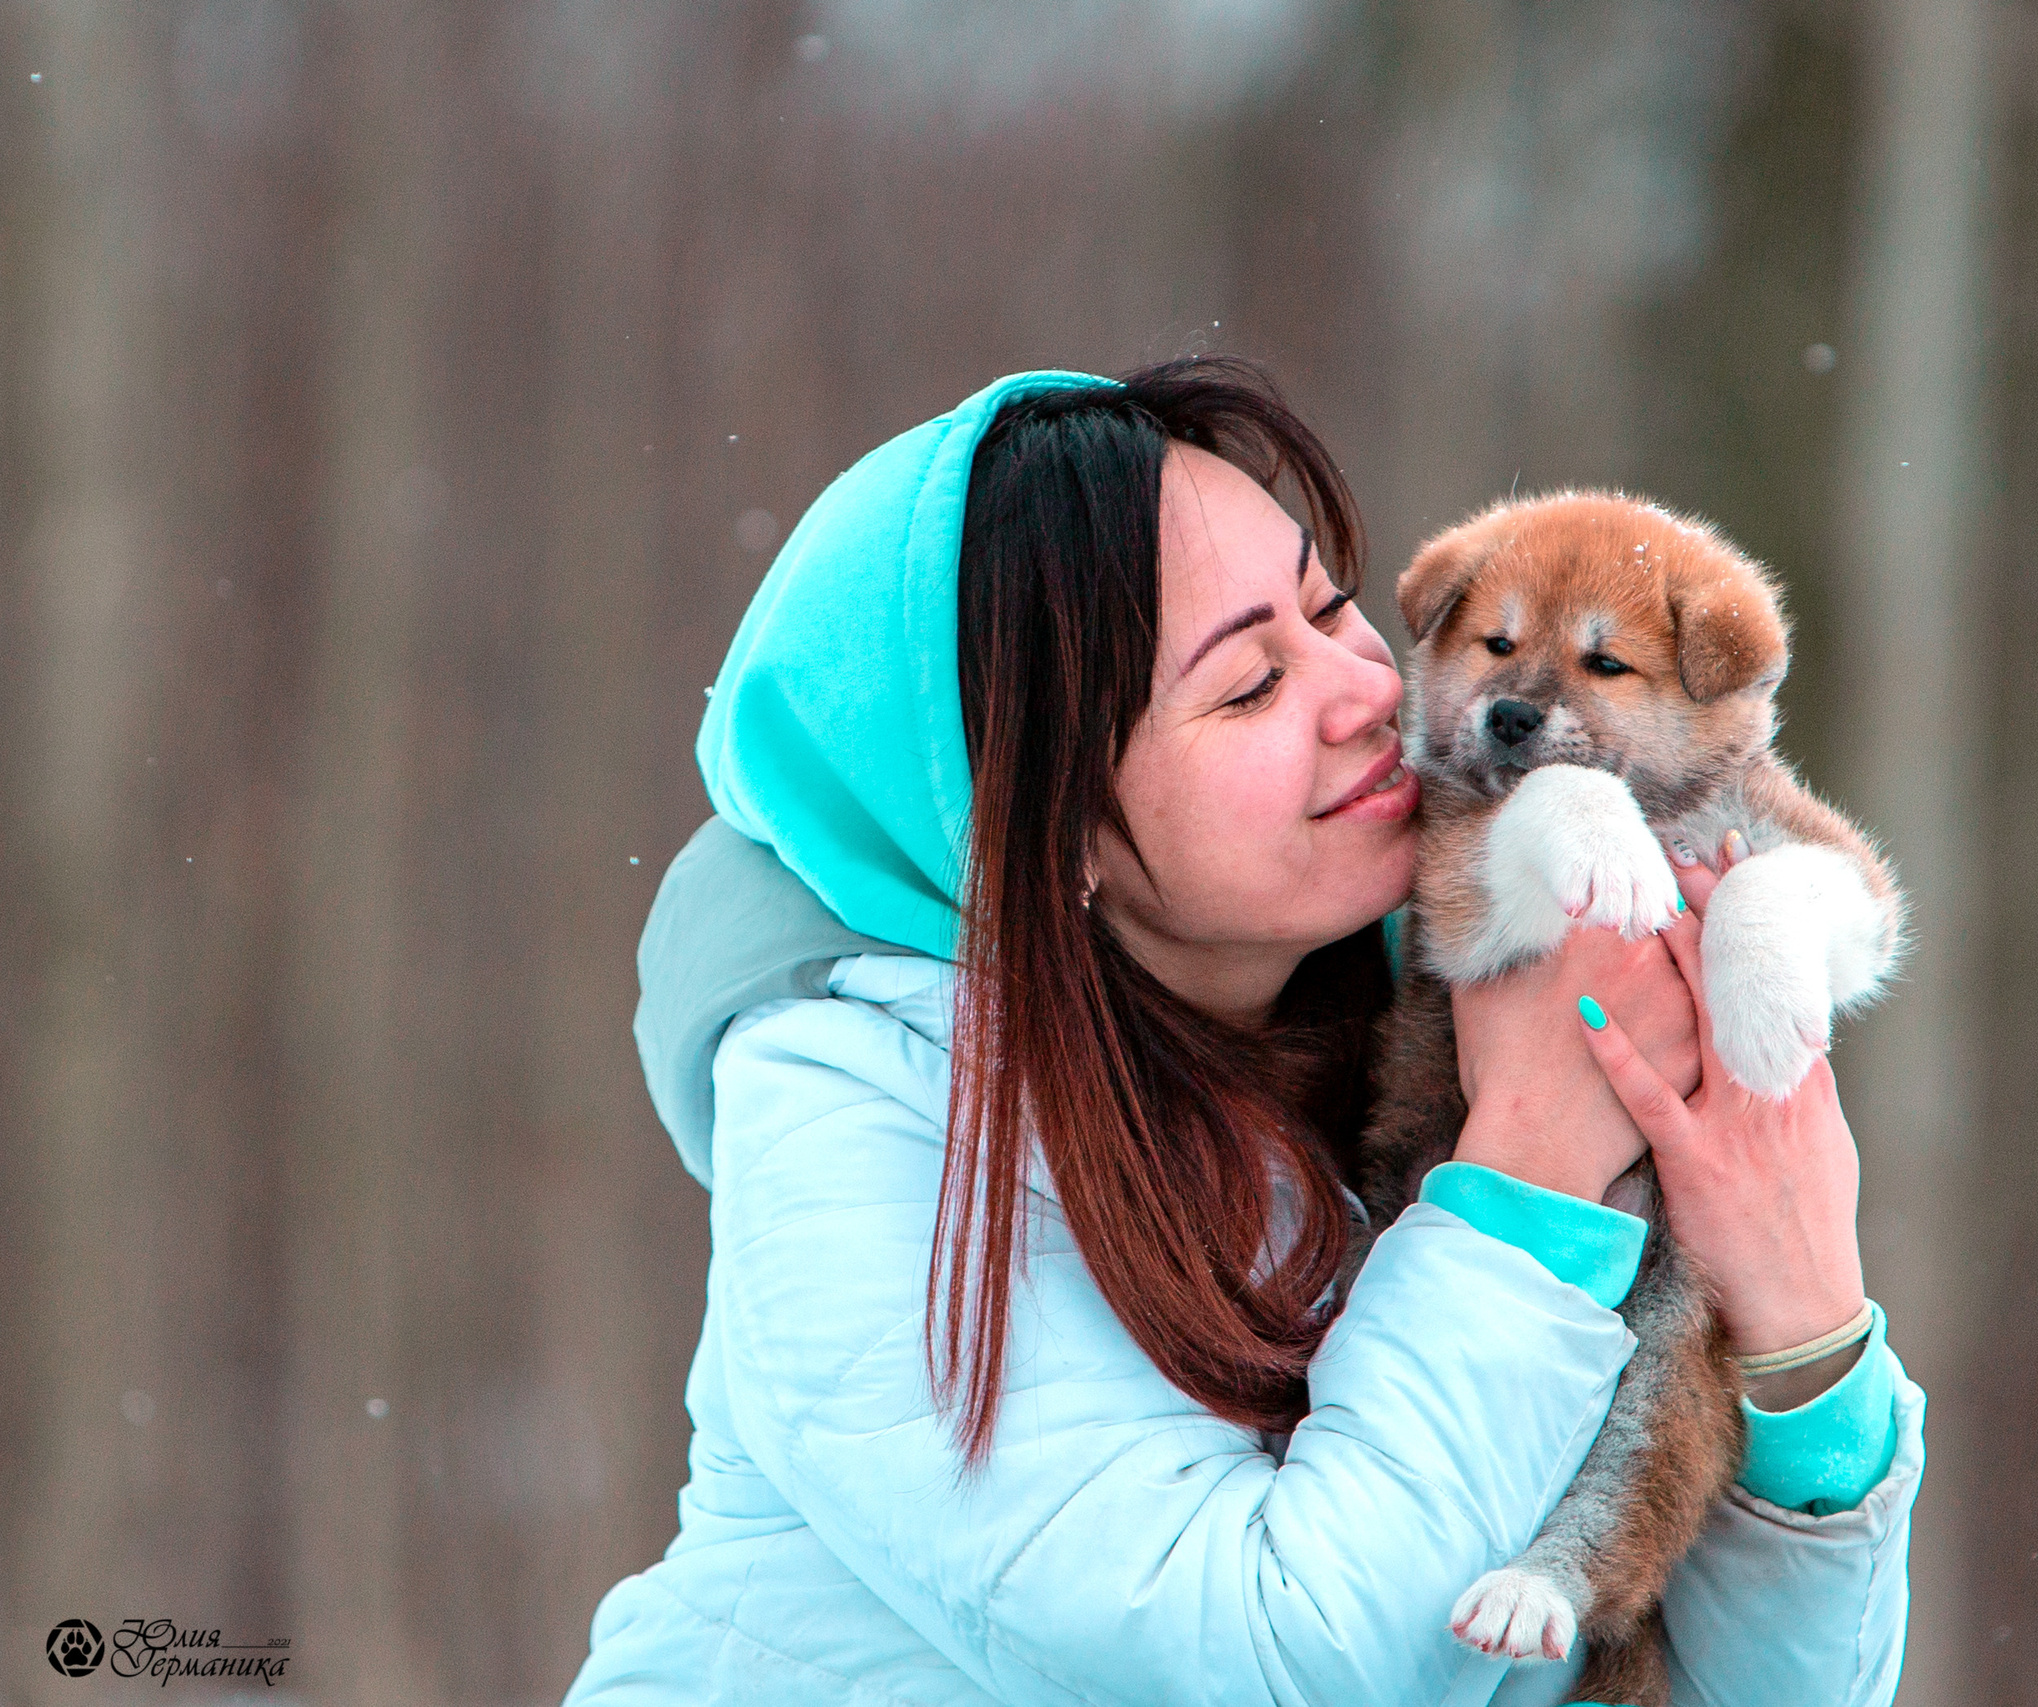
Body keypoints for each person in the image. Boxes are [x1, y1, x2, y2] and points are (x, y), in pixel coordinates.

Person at [561, 358, 1925, 1707]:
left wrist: (1806, 1344)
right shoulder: (862, 1133)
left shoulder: (1392, 1018)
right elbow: (1276, 1664)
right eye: (1251, 684)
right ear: (1048, 834)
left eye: (1334, 613)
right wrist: (1529, 1175)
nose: (1364, 691)